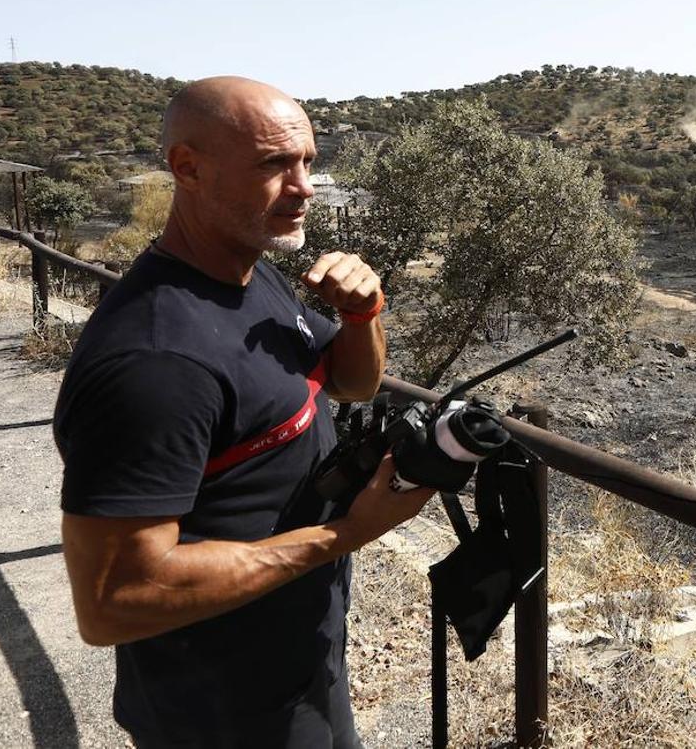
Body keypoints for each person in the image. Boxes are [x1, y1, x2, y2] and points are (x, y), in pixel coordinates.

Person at [54, 76, 431, 748]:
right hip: (221, 713)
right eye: (273, 165)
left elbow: (352, 384)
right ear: (187, 168)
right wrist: (343, 535)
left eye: (307, 162)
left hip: (296, 663)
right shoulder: (157, 359)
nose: (304, 186)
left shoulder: (251, 272)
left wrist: (362, 312)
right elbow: (113, 602)